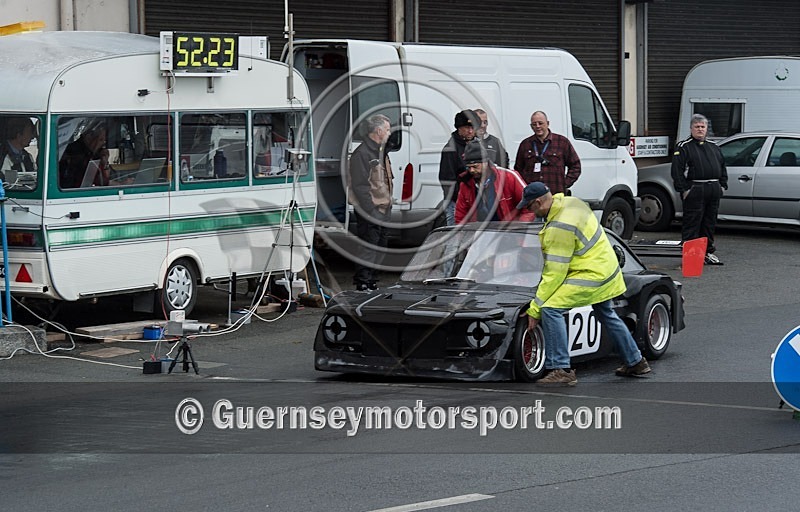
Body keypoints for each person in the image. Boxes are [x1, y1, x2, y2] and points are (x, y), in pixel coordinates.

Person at [518, 182, 650, 386]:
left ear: (538, 202)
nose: (530, 212)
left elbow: (554, 274)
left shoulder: (559, 227)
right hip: (607, 268)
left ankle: (562, 369)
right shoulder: (571, 202)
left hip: (591, 274)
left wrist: (535, 308)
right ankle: (635, 361)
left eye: (529, 207)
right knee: (605, 312)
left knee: (550, 308)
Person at [670, 113, 728, 265]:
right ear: (691, 128)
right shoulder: (684, 147)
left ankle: (707, 253)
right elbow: (677, 171)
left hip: (713, 189)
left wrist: (722, 186)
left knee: (709, 223)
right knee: (692, 224)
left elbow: (722, 166)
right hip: (695, 189)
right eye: (697, 127)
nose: (700, 129)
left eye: (703, 126)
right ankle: (691, 257)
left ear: (707, 128)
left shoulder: (714, 147)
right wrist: (684, 190)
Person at [349, 114, 393, 291]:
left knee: (381, 246)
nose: (390, 133)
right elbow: (360, 186)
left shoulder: (381, 152)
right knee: (368, 247)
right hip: (371, 210)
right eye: (388, 129)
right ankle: (363, 283)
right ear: (379, 131)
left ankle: (373, 281)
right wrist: (370, 210)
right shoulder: (362, 154)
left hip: (384, 208)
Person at [455, 140, 534, 224]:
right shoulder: (466, 183)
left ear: (485, 163)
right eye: (468, 167)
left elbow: (530, 203)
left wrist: (520, 225)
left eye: (475, 166)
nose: (471, 170)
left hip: (509, 229)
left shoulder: (509, 177)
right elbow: (460, 214)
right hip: (480, 229)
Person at [514, 111, 581, 194]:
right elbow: (518, 170)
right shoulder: (525, 144)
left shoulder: (562, 142)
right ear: (531, 126)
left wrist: (565, 183)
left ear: (548, 123)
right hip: (533, 196)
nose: (537, 126)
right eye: (534, 124)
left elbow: (575, 165)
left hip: (555, 193)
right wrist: (524, 186)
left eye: (540, 123)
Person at [439, 109, 479, 225]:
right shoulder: (450, 149)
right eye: (467, 128)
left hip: (475, 200)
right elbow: (447, 180)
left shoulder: (477, 145)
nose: (470, 131)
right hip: (456, 202)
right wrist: (462, 199)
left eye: (473, 127)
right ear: (459, 128)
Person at [59, 124, 107, 189]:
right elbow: (99, 180)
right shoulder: (77, 153)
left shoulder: (93, 154)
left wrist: (104, 163)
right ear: (89, 138)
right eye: (100, 140)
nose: (102, 144)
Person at [0, 117, 37, 183]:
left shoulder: (27, 156)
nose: (32, 137)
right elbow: (8, 184)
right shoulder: (3, 156)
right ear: (19, 135)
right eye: (29, 133)